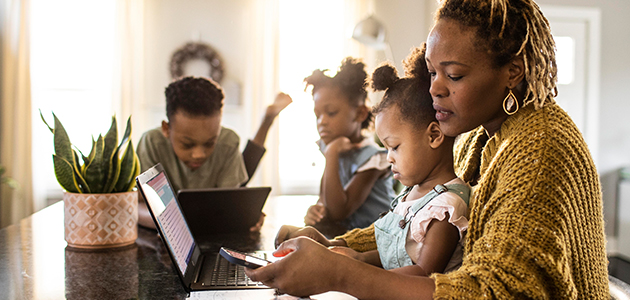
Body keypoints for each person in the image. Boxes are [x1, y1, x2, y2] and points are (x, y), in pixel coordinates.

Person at [245, 0, 610, 298]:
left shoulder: (540, 148)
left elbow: (497, 291)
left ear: (512, 72)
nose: (435, 89)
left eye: (453, 75)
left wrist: (340, 274)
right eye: (432, 72)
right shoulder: (475, 135)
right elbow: (411, 222)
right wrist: (330, 245)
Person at [332, 45, 471, 276]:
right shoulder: (412, 194)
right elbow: (397, 253)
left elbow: (422, 274)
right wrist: (357, 258)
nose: (389, 158)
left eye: (395, 147)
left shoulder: (446, 207)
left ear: (434, 135)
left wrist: (352, 272)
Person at [136, 76, 290, 229]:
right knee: (245, 171)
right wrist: (170, 223)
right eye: (187, 144)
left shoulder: (228, 140)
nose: (199, 154)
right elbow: (136, 206)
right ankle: (267, 119)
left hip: (222, 196)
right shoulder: (151, 142)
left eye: (210, 143)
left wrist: (244, 215)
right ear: (166, 129)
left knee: (243, 176)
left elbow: (230, 203)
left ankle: (267, 120)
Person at [303, 58, 396, 231]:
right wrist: (316, 210)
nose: (321, 122)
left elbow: (339, 211)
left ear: (360, 113)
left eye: (331, 113)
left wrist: (331, 155)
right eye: (318, 115)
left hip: (379, 241)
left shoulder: (374, 158)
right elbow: (326, 202)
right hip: (348, 237)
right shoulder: (333, 148)